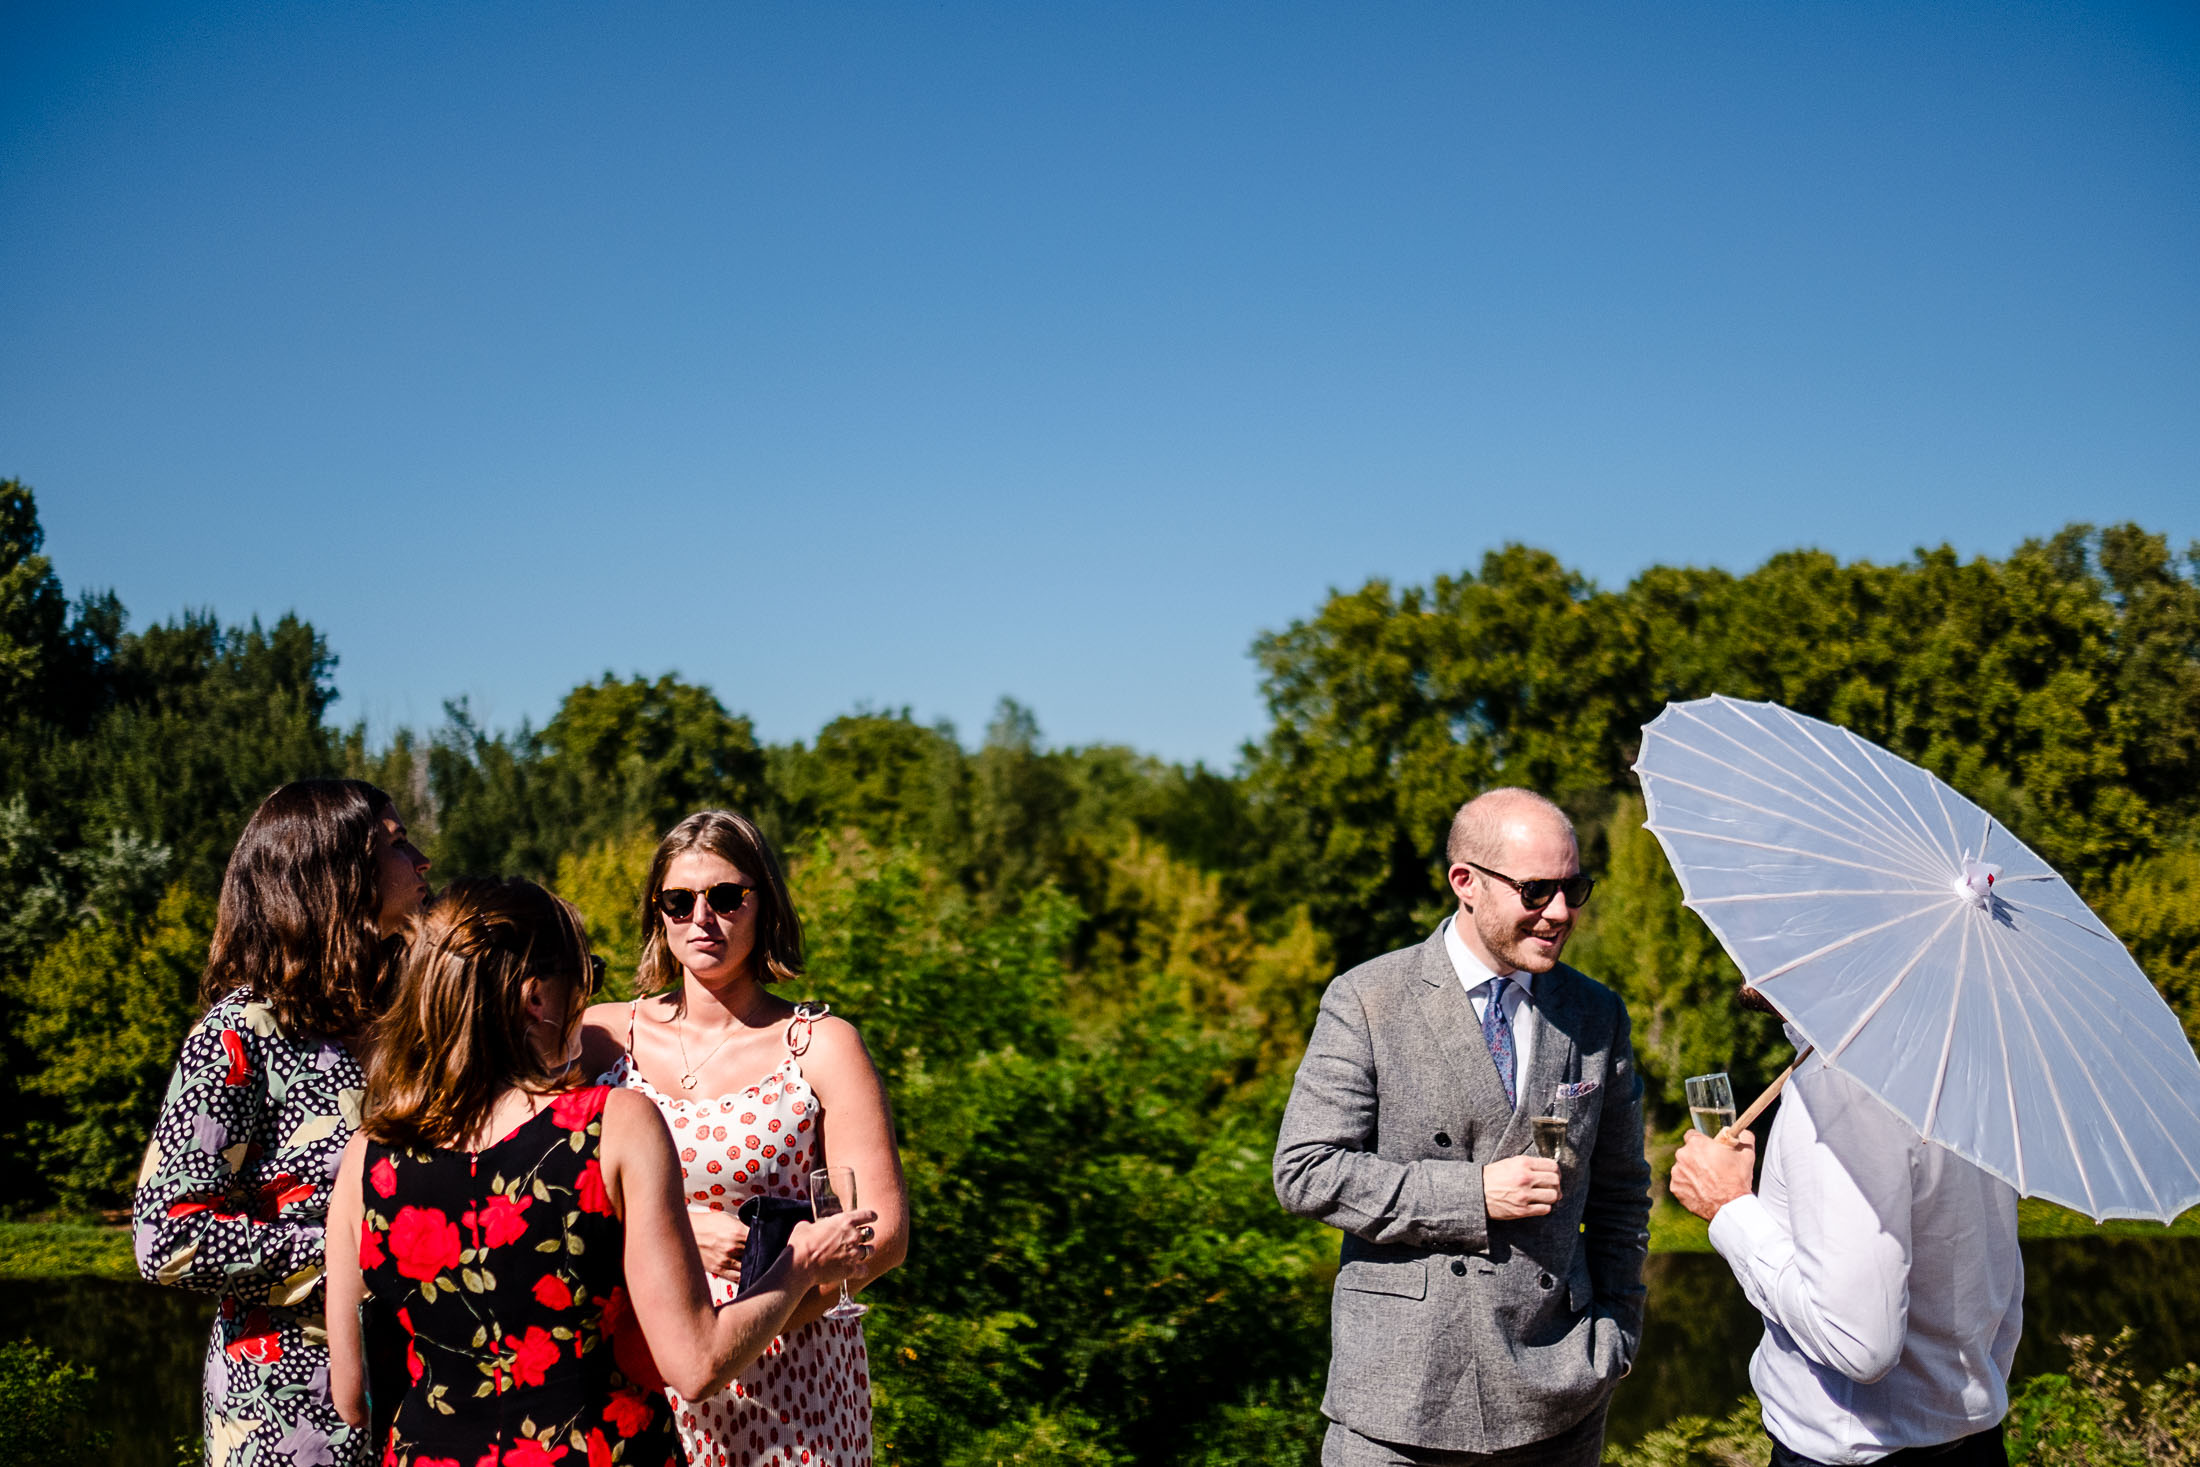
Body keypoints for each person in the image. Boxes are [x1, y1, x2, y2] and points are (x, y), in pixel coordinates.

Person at [324, 876, 876, 1467]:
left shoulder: (366, 1156)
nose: (587, 1001)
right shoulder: (612, 1125)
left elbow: (352, 1397)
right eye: (583, 976)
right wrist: (801, 1264)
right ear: (536, 996)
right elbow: (695, 1365)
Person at [1274, 787, 1652, 1467]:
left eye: (1574, 888)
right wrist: (1473, 1195)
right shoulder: (1367, 998)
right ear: (1465, 882)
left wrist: (1616, 1333)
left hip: (1560, 1399)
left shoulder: (1598, 1013)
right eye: (1537, 890)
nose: (1560, 912)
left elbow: (1622, 1192)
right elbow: (1305, 1171)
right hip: (1399, 1403)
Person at [579, 809, 908, 1467]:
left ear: (764, 905)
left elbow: (885, 1234)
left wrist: (743, 1332)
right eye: (679, 899)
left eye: (726, 897)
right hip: (640, 1381)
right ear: (658, 912)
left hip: (795, 1388)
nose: (703, 916)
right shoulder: (600, 1038)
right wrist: (679, 1228)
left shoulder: (820, 1045)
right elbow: (545, 1190)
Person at [134, 778, 432, 1467]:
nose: (421, 861)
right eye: (396, 845)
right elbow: (167, 1237)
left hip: (415, 1387)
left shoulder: (400, 1019)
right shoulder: (241, 1034)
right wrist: (347, 1254)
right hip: (289, 1403)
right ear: (334, 873)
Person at [1667, 994, 2024, 1467]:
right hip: (1973, 1443)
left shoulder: (1838, 1087)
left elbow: (1858, 1345)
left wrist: (1729, 1207)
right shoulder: (1959, 1058)